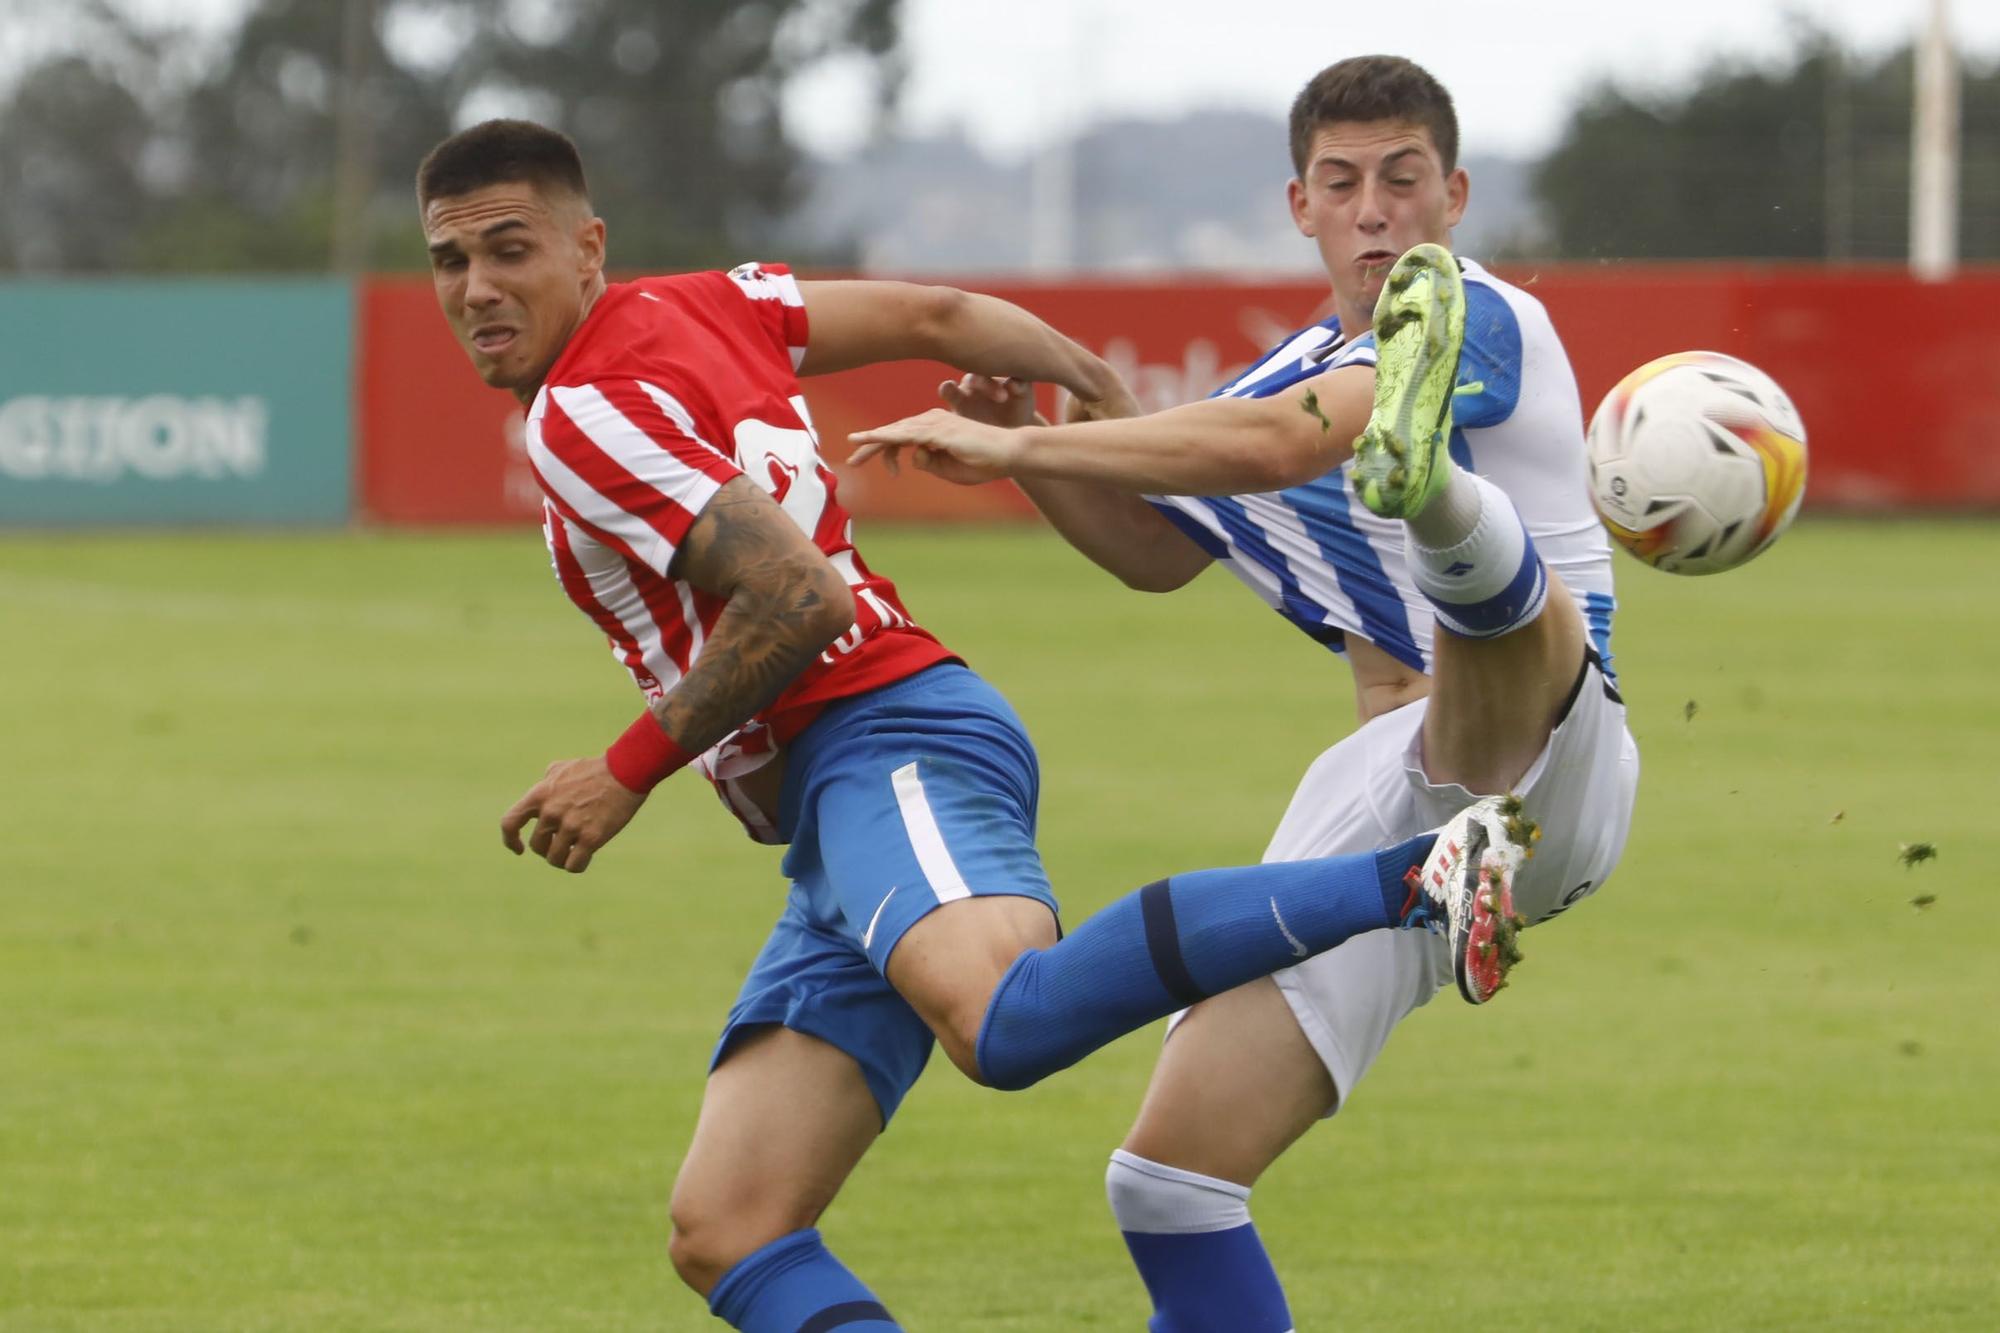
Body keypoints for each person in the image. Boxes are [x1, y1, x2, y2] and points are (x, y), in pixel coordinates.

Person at [415, 117, 1534, 1333]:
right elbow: (943, 316)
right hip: (841, 811)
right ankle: (1415, 872)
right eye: (448, 262)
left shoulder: (580, 411)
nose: (476, 289)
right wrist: (1095, 391)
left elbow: (801, 597)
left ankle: (1419, 872)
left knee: (1000, 1022)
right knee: (728, 1224)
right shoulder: (705, 303)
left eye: (508, 251)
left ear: (587, 249)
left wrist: (622, 772)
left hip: (884, 735)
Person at [850, 54, 1638, 1331]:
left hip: (1556, 746)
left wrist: (1018, 441)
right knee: (1168, 1182)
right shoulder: (1273, 375)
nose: (1375, 208)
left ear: (1453, 197)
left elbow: (1281, 444)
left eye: (1402, 178)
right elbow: (1156, 551)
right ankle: (1427, 494)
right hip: (1409, 825)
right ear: (1300, 206)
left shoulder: (1476, 309)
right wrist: (1038, 459)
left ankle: (1427, 484)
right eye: (1344, 183)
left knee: (1471, 608)